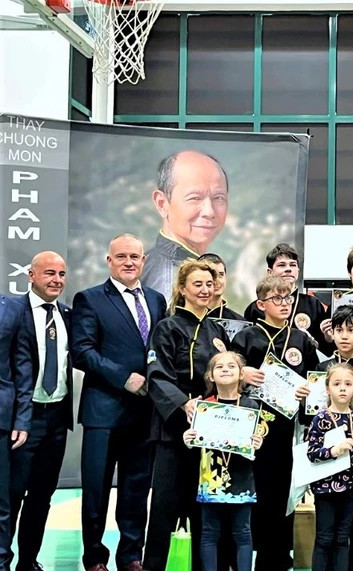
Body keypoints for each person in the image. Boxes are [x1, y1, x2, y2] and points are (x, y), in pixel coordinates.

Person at [71, 234, 167, 571]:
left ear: (143, 261)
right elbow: (82, 351)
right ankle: (95, 557)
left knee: (136, 489)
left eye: (135, 256)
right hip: (104, 412)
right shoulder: (90, 299)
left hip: (144, 414)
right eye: (122, 256)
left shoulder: (156, 301)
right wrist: (123, 377)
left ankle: (130, 556)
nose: (129, 262)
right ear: (109, 261)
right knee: (96, 490)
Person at [145, 259, 230, 571]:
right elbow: (157, 375)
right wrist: (184, 403)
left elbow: (226, 374)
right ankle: (153, 565)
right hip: (171, 430)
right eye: (198, 284)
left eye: (209, 284)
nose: (205, 290)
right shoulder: (167, 328)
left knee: (204, 509)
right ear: (182, 289)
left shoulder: (217, 330)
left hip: (210, 431)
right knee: (165, 508)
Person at [231, 275, 319, 571]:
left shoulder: (301, 340)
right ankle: (241, 555)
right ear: (260, 304)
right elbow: (224, 374)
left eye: (288, 299)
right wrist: (241, 375)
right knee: (248, 490)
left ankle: (277, 558)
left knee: (281, 493)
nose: (284, 304)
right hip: (251, 428)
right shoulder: (246, 337)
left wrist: (308, 392)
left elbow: (314, 382)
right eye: (277, 299)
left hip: (285, 430)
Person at [297, 305, 353, 571]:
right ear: (331, 333)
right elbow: (308, 419)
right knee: (327, 535)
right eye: (339, 330)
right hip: (327, 468)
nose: (344, 336)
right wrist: (302, 400)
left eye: (351, 330)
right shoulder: (321, 368)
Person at [10, 252, 73, 571]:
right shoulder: (13, 310)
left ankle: (28, 561)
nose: (57, 281)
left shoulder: (66, 314)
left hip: (56, 419)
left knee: (41, 496)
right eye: (49, 273)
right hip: (22, 419)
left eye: (62, 275)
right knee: (10, 496)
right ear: (31, 275)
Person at [182, 351, 268, 571]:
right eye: (219, 367)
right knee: (209, 533)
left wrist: (256, 444)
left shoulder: (251, 406)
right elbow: (195, 440)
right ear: (210, 375)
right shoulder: (203, 405)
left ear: (241, 375)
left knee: (243, 533)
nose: (226, 369)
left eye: (232, 366)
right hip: (211, 478)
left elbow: (256, 442)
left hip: (242, 478)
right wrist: (188, 439)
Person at [307, 363, 353, 571]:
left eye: (348, 384)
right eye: (337, 384)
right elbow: (312, 453)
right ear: (327, 388)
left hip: (350, 488)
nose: (342, 388)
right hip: (325, 490)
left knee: (343, 539)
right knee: (325, 538)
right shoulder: (321, 418)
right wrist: (334, 450)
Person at [141, 150, 229, 298]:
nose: (209, 211)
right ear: (162, 203)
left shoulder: (154, 262)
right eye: (195, 198)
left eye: (218, 198)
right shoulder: (169, 282)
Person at [0, 294, 33, 571]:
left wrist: (22, 418)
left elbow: (22, 367)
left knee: (2, 502)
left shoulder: (11, 308)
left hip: (2, 418)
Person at [243, 244, 328, 348]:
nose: (288, 269)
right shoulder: (255, 308)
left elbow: (325, 346)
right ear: (270, 272)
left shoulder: (313, 304)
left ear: (298, 271)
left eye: (292, 265)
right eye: (282, 265)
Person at [197, 253, 245, 320]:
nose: (217, 281)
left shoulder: (237, 321)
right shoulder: (185, 318)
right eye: (212, 275)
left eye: (221, 275)